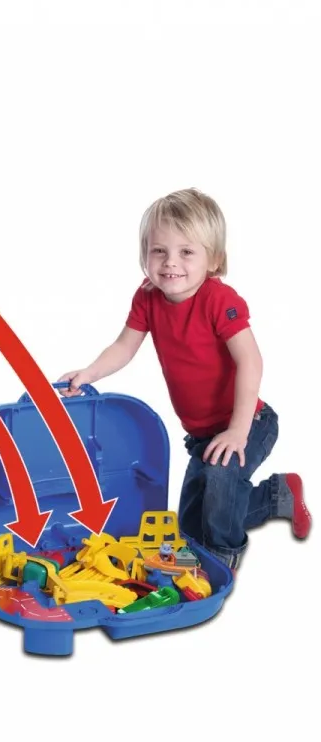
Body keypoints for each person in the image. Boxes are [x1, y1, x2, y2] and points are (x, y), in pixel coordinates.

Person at [57, 188, 309, 569]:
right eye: (159, 250)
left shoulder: (218, 300)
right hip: (202, 435)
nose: (170, 262)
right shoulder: (147, 298)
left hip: (249, 421)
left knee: (221, 485)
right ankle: (278, 496)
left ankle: (221, 563)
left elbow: (251, 361)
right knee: (192, 527)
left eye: (186, 252)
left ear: (214, 259)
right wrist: (89, 372)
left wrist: (238, 431)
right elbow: (124, 346)